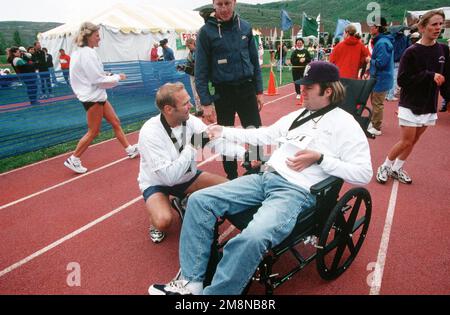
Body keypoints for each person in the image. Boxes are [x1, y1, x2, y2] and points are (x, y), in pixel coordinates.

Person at [149, 61, 373, 295]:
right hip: (265, 178)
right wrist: (223, 130)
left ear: (328, 91)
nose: (301, 91)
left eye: (308, 87)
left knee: (252, 237)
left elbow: (363, 173)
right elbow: (263, 134)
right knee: (198, 201)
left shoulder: (346, 125)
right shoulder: (299, 115)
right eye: (301, 86)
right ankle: (191, 283)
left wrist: (320, 158)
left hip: (295, 192)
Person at [138, 82, 245, 243]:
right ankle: (156, 219)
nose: (191, 106)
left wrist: (246, 154)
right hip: (158, 182)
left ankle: (183, 198)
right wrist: (193, 145)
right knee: (163, 221)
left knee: (229, 188)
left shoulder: (190, 121)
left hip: (187, 177)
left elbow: (216, 142)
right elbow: (169, 178)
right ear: (168, 109)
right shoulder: (150, 133)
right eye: (185, 103)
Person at [376, 10, 449, 185]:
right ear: (422, 28)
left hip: (429, 104)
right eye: (434, 24)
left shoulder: (444, 50)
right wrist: (429, 75)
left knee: (414, 141)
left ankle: (396, 168)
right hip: (410, 104)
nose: (438, 27)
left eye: (441, 24)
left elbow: (446, 77)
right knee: (406, 140)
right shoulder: (412, 52)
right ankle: (385, 166)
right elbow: (402, 80)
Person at [195, 0, 264, 180]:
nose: (224, 8)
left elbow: (255, 62)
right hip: (223, 92)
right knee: (224, 137)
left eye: (227, 3)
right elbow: (200, 70)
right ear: (213, 4)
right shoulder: (205, 33)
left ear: (234, 2)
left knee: (255, 132)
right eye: (220, 4)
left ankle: (257, 172)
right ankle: (231, 177)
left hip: (247, 90)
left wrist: (259, 91)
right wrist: (206, 102)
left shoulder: (245, 27)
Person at [65, 22, 139, 174]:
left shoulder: (80, 52)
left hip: (96, 95)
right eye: (97, 35)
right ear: (88, 37)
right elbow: (96, 80)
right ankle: (74, 158)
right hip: (92, 97)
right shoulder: (87, 53)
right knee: (93, 131)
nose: (99, 39)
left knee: (115, 122)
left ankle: (129, 149)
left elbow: (93, 74)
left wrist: (108, 75)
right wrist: (118, 77)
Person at [366, 17, 394, 136]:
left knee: (377, 103)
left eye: (371, 26)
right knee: (375, 101)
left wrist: (370, 60)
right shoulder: (382, 41)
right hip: (379, 77)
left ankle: (376, 127)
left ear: (377, 28)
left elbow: (381, 63)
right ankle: (374, 122)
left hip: (381, 78)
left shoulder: (382, 43)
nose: (369, 28)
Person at [184, 38, 202, 116]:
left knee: (201, 92)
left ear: (193, 43)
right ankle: (199, 109)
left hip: (200, 74)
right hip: (193, 74)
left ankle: (204, 107)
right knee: (195, 93)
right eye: (187, 46)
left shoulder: (199, 51)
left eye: (189, 45)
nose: (188, 47)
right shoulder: (190, 54)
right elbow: (189, 62)